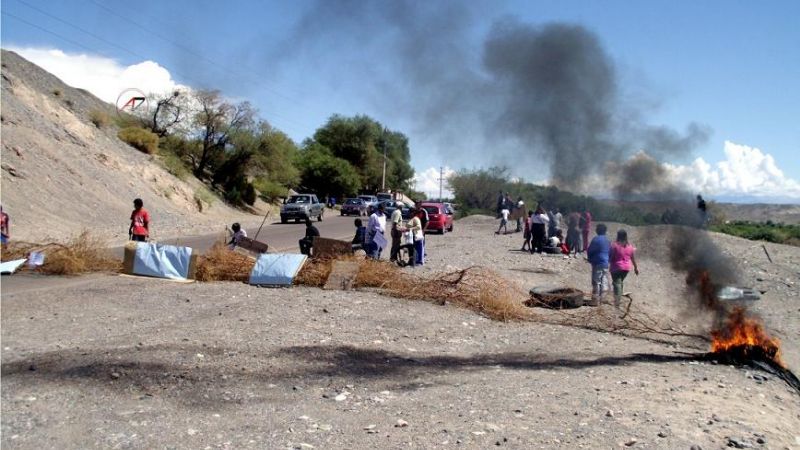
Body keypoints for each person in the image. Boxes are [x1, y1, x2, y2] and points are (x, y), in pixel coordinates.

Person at [609, 229, 639, 307]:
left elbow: (611, 256)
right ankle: (619, 298)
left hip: (616, 267)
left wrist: (608, 262)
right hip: (626, 269)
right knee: (619, 282)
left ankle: (617, 302)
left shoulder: (614, 245)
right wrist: (636, 268)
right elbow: (633, 259)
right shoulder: (630, 246)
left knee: (617, 284)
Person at [586, 223, 611, 306]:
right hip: (606, 263)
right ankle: (603, 299)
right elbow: (610, 252)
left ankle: (595, 301)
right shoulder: (608, 240)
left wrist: (590, 258)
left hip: (598, 263)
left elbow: (590, 250)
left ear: (598, 230)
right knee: (604, 281)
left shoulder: (596, 239)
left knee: (596, 281)